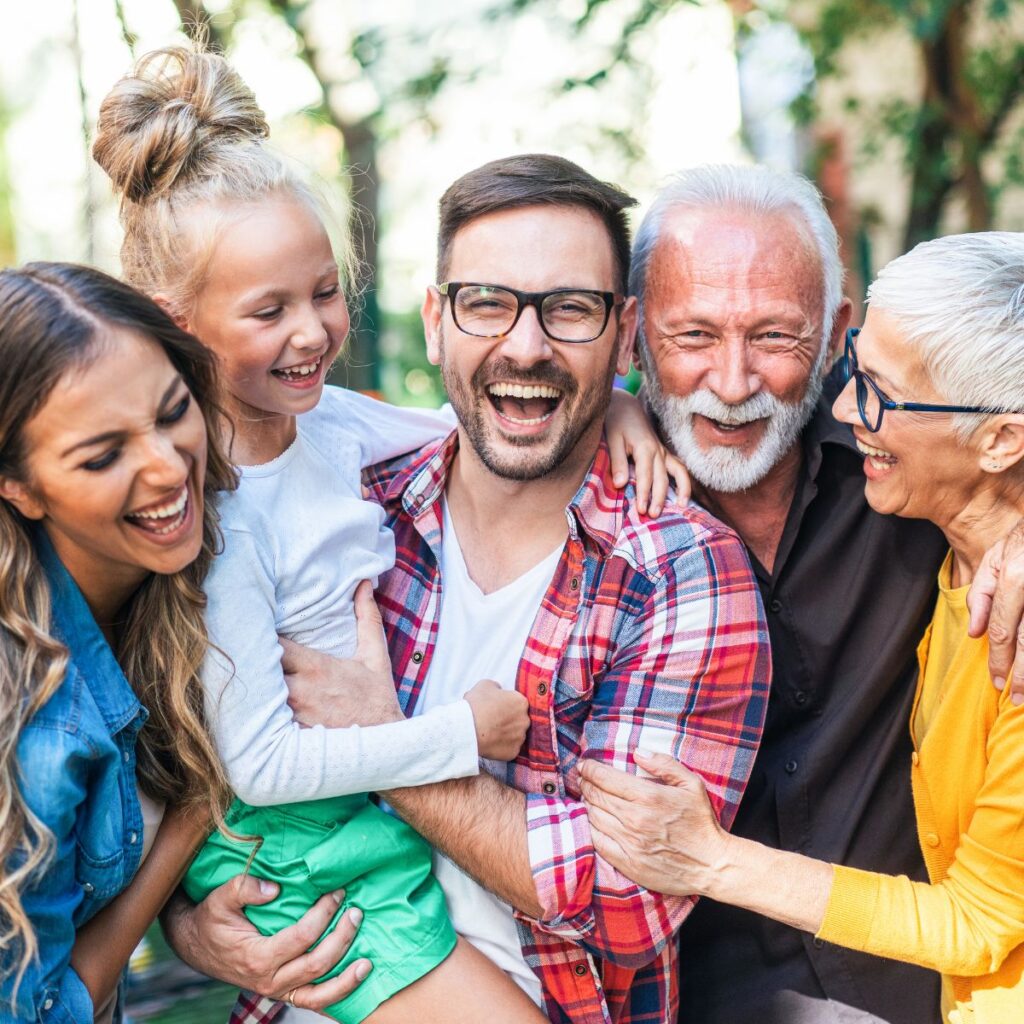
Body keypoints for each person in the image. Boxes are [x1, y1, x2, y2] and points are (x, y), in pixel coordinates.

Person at [94, 52, 679, 1022]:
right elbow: (260, 764)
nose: (312, 332)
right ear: (177, 324)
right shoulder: (220, 517)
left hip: (353, 826)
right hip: (295, 842)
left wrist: (617, 403)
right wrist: (459, 736)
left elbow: (481, 417)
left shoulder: (327, 426)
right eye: (268, 311)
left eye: (323, 292)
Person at [222, 153, 773, 1024]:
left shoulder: (679, 570)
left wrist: (384, 740)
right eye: (487, 302)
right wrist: (192, 925)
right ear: (436, 322)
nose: (526, 345)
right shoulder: (349, 506)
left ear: (625, 333)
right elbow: (201, 739)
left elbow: (626, 899)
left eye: (571, 309)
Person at [577, 162, 1024, 1024]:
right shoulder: (584, 504)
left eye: (775, 337)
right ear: (634, 336)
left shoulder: (906, 470)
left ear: (833, 334)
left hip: (930, 991)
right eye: (692, 335)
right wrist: (612, 405)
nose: (732, 381)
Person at [0, 262, 261, 1022]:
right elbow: (41, 1010)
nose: (168, 467)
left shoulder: (191, 557)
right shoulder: (31, 723)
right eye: (103, 456)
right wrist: (192, 819)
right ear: (17, 485)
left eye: (173, 411)